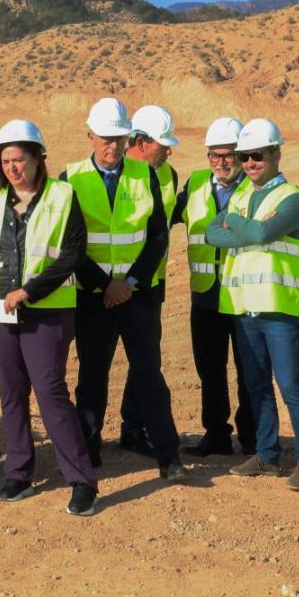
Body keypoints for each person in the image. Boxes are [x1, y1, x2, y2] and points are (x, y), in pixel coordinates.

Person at [0, 119, 99, 515]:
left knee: (51, 393)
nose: (12, 168)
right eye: (5, 160)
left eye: (19, 159)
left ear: (39, 158)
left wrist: (30, 291)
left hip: (47, 312)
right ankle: (19, 473)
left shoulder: (62, 195)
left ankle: (81, 480)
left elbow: (73, 253)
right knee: (10, 394)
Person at [64, 97, 189, 482]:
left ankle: (168, 456)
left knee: (149, 374)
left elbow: (156, 236)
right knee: (92, 377)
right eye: (105, 137)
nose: (112, 145)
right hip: (93, 295)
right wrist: (106, 285)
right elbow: (69, 244)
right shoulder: (70, 179)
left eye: (119, 137)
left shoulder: (144, 175)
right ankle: (89, 451)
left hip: (138, 294)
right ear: (90, 135)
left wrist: (130, 283)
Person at [206, 118, 299, 492]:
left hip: (278, 307)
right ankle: (267, 455)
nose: (251, 162)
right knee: (256, 386)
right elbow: (210, 232)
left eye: (258, 155)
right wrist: (244, 226)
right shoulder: (240, 196)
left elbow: (260, 233)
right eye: (245, 156)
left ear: (276, 153)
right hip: (244, 306)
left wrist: (237, 227)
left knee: (289, 385)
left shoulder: (292, 198)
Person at [175, 117, 256, 457]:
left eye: (229, 155)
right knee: (210, 369)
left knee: (249, 371)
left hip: (243, 296)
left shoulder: (257, 186)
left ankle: (252, 438)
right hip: (206, 295)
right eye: (215, 155)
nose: (222, 162)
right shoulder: (194, 184)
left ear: (242, 156)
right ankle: (216, 435)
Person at [115, 105, 181, 459]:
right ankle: (86, 438)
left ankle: (133, 427)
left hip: (148, 286)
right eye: (162, 144)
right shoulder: (110, 173)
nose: (168, 150)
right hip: (105, 288)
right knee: (95, 367)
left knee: (145, 361)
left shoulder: (169, 175)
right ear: (139, 142)